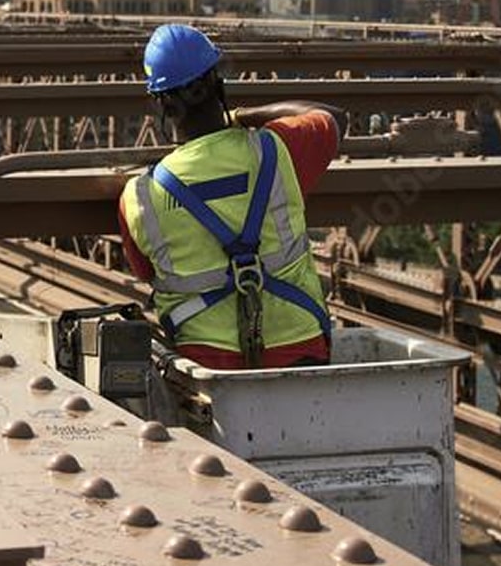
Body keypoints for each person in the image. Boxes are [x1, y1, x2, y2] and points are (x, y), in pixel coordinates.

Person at [118, 23, 343, 370]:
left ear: (161, 104)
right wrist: (240, 116)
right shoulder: (277, 149)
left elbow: (147, 272)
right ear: (218, 84)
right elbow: (333, 118)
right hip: (300, 353)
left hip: (206, 368)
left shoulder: (139, 196)